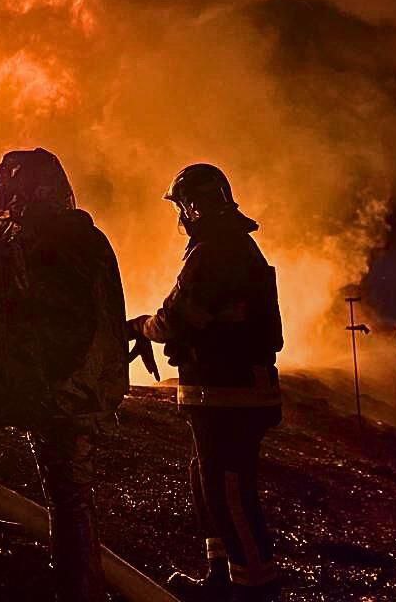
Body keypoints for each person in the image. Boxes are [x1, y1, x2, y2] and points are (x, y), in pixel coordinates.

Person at [0, 148, 130, 602]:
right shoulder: (91, 238)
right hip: (76, 390)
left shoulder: (4, 233)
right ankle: (80, 591)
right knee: (71, 496)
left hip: (11, 379)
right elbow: (108, 315)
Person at [127, 164, 283, 601]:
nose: (181, 217)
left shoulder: (215, 250)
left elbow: (175, 316)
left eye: (182, 207)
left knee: (229, 491)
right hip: (219, 392)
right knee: (207, 481)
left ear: (194, 207)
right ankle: (223, 577)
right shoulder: (227, 245)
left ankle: (255, 589)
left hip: (231, 395)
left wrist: (139, 327)